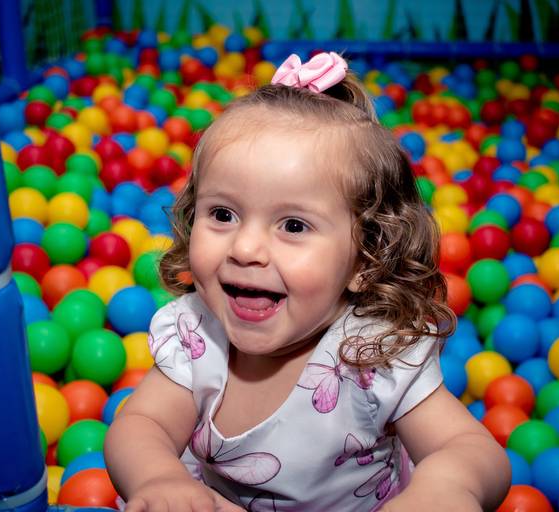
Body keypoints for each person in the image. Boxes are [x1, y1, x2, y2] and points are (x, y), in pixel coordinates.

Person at [105, 52, 511, 512]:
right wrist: (159, 477)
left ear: (365, 258)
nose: (245, 248)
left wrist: (448, 485)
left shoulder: (372, 355)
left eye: (293, 226)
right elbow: (142, 425)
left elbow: (473, 450)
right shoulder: (197, 337)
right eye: (223, 214)